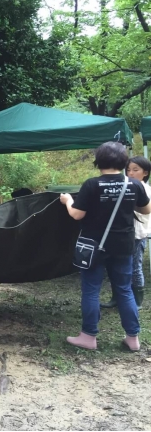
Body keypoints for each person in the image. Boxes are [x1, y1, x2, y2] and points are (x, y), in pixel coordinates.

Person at [60, 142, 151, 351]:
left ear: (98, 161)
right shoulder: (134, 184)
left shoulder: (92, 184)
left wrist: (67, 200)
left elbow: (76, 214)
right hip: (123, 245)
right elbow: (146, 210)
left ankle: (89, 336)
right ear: (123, 162)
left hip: (94, 246)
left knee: (91, 290)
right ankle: (132, 338)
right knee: (124, 290)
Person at [101, 156, 151, 309]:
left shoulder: (145, 188)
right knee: (116, 265)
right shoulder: (126, 186)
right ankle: (117, 297)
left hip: (137, 234)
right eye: (128, 170)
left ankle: (137, 301)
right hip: (122, 234)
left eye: (135, 170)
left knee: (135, 266)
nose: (131, 173)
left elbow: (145, 210)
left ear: (146, 172)